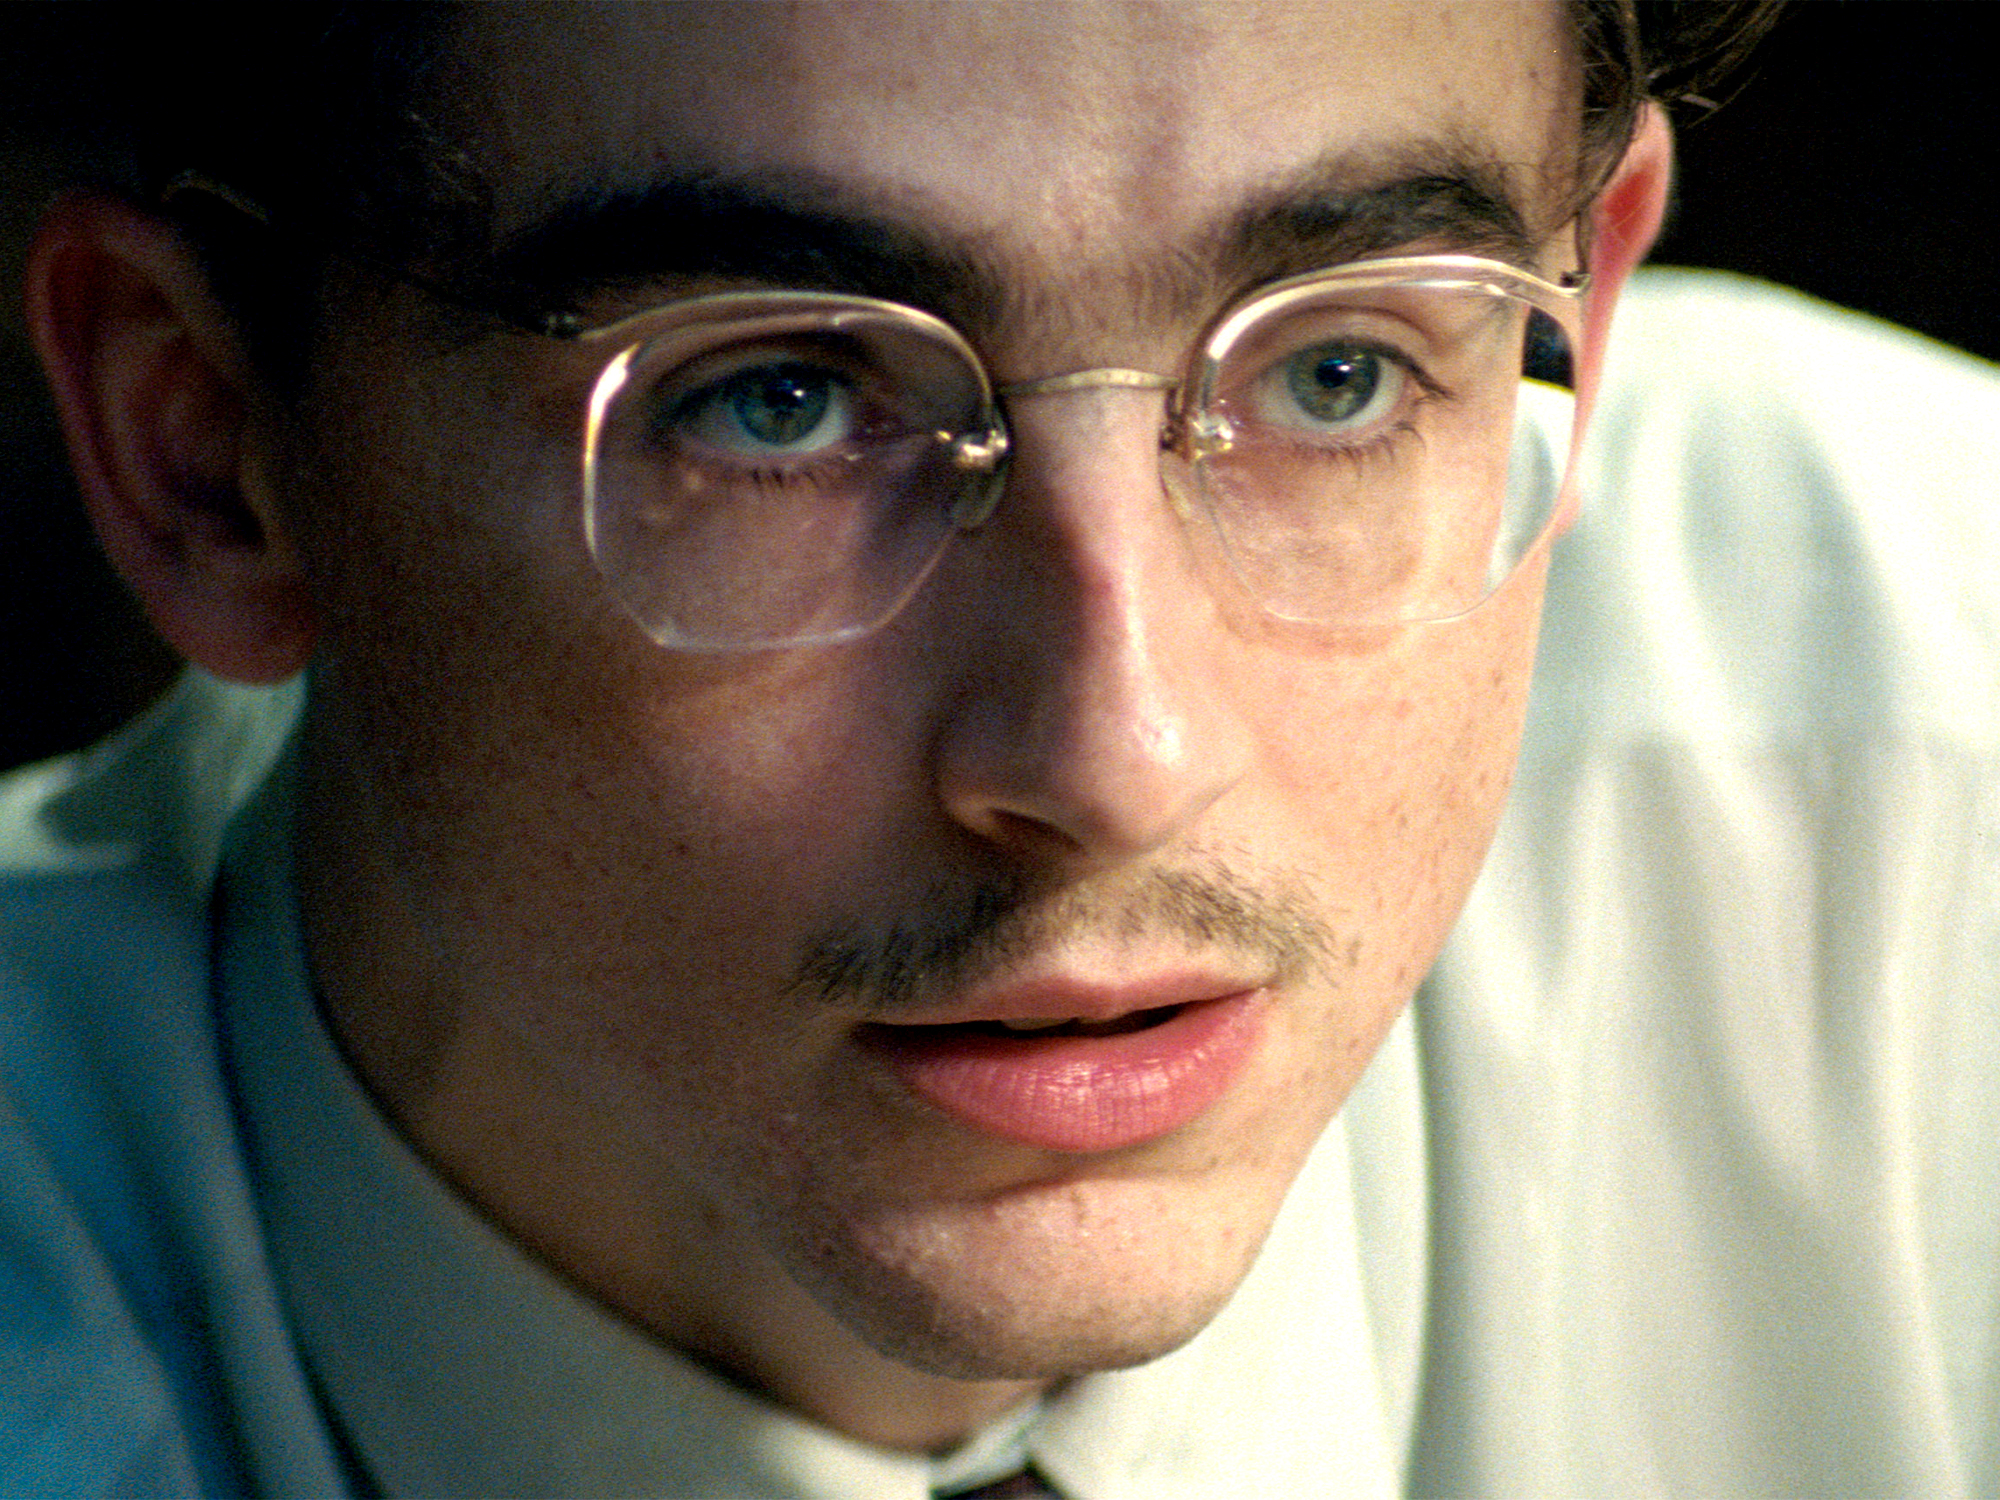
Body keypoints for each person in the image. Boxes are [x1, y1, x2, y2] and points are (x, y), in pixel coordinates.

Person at [5, 2, 1995, 1496]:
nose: (1118, 757)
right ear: (210, 453)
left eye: (1339, 370)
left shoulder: (1934, 759)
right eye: (775, 400)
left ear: (1584, 313)